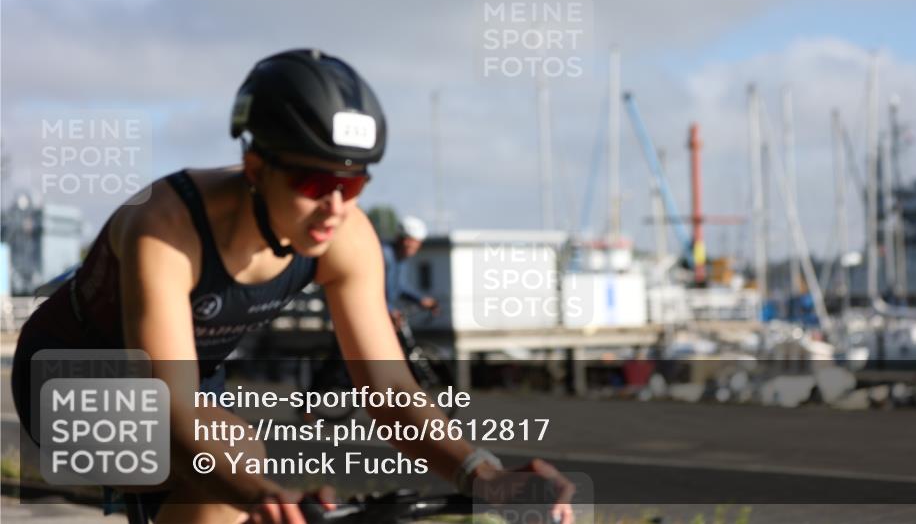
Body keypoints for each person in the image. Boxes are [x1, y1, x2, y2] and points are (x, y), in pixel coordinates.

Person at [11, 49, 574, 524]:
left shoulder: (343, 236)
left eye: (353, 183)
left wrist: (485, 475)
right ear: (256, 166)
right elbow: (173, 411)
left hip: (190, 379)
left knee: (233, 485)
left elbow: (389, 391)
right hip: (71, 370)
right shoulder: (165, 226)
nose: (335, 207)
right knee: (237, 461)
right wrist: (262, 494)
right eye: (314, 180)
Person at [383, 215, 439, 328]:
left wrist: (420, 299)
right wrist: (389, 310)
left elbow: (399, 287)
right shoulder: (385, 255)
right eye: (409, 241)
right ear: (401, 240)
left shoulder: (401, 260)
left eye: (416, 243)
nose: (412, 246)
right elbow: (372, 291)